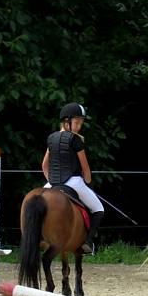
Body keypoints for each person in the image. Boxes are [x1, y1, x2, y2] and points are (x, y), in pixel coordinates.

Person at [42, 102, 104, 255]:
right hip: (74, 182)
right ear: (66, 121)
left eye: (81, 123)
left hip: (51, 183)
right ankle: (88, 243)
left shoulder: (51, 138)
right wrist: (88, 182)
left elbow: (44, 165)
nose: (79, 126)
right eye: (77, 122)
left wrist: (51, 181)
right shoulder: (76, 140)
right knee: (98, 209)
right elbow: (85, 168)